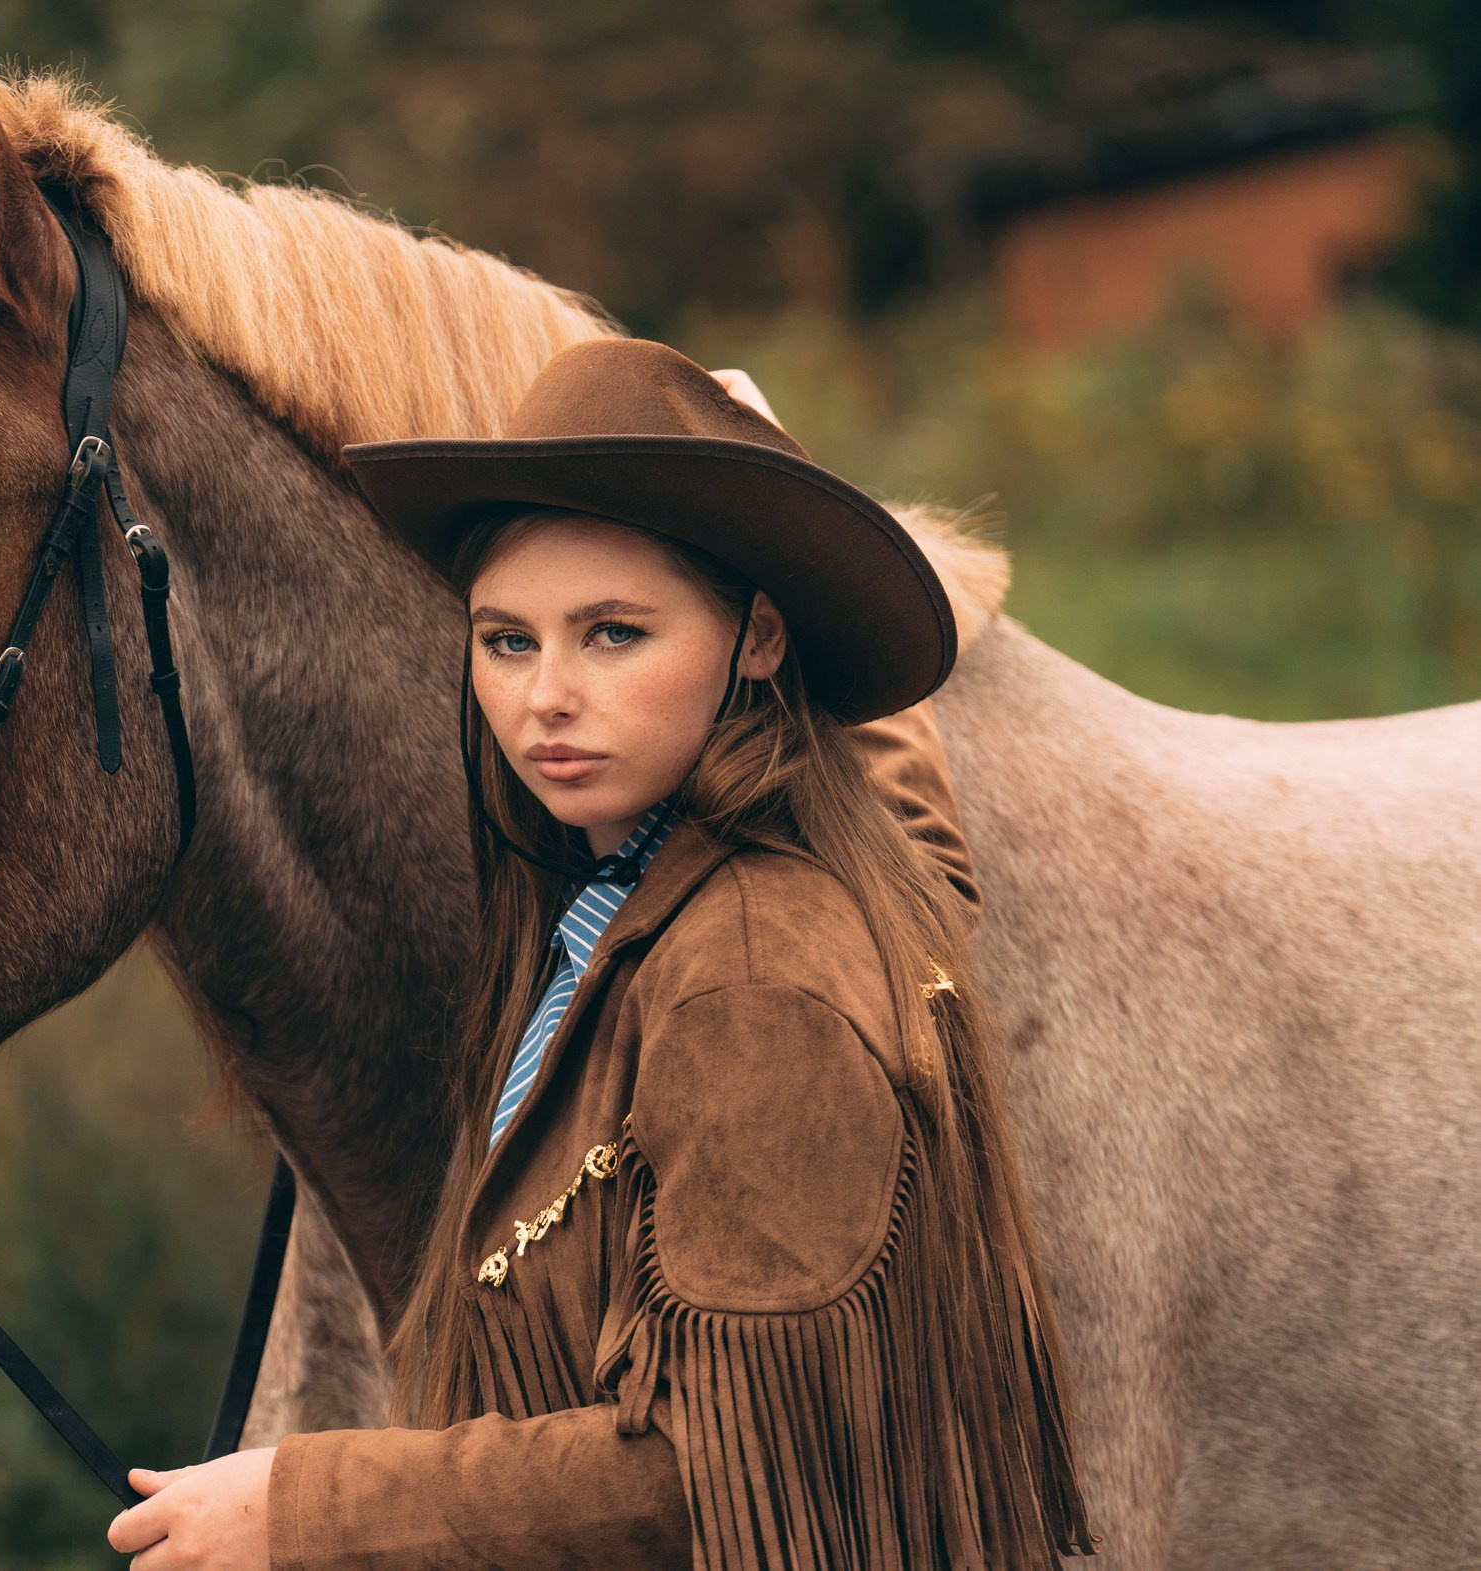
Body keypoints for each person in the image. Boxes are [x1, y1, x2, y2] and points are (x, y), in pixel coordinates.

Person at [108, 339, 1090, 1570]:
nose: (544, 698)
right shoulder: (693, 878)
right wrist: (780, 496)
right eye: (506, 639)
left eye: (612, 634)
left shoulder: (753, 982)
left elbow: (722, 1476)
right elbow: (917, 837)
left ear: (759, 640)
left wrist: (304, 1509)